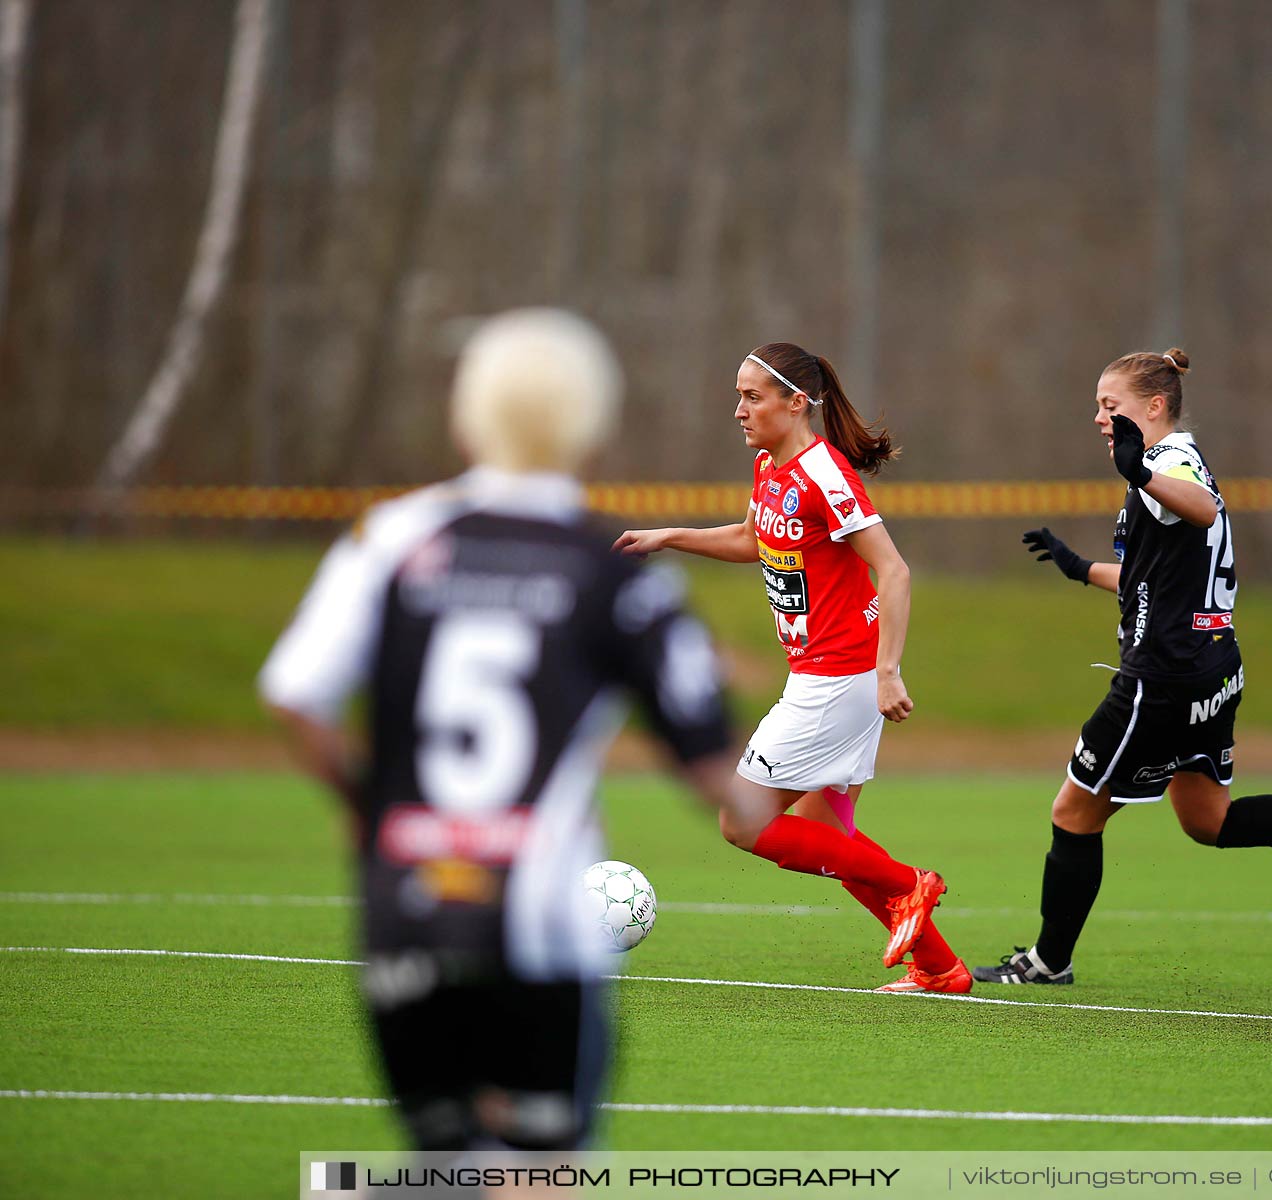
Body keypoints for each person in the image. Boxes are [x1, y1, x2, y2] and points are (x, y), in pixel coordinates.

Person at [259, 308, 773, 1151]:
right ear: (592, 427)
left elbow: (293, 695)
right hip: (539, 934)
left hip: (407, 920)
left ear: (467, 416)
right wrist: (770, 811)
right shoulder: (614, 575)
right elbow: (714, 773)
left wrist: (367, 804)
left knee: (447, 1165)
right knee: (539, 1170)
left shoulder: (392, 538)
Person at [972, 349, 1272, 986]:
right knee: (1209, 821)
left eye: (1111, 405)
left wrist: (1141, 474)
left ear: (1154, 407)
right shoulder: (1165, 464)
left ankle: (1049, 962)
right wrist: (1078, 568)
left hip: (1163, 677)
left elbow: (1202, 507)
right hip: (1210, 666)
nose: (1100, 418)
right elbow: (1154, 575)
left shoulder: (1167, 461)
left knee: (1073, 814)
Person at [613, 342, 968, 994]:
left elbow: (893, 570)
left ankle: (910, 884)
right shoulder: (769, 466)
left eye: (752, 396)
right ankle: (942, 969)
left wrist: (889, 670)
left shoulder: (825, 474)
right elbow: (753, 540)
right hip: (826, 674)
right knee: (830, 833)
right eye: (740, 395)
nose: (739, 409)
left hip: (841, 679)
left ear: (795, 402)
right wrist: (669, 537)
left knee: (741, 821)